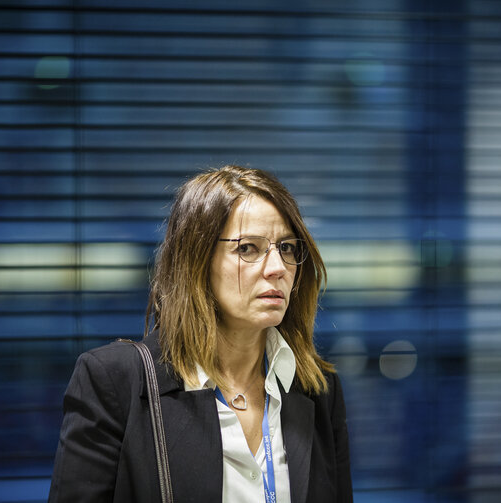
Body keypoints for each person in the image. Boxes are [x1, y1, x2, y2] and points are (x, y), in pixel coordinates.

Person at [48, 165, 352, 502]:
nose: (278, 268)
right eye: (248, 249)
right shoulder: (114, 382)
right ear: (197, 261)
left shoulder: (316, 390)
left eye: (287, 248)